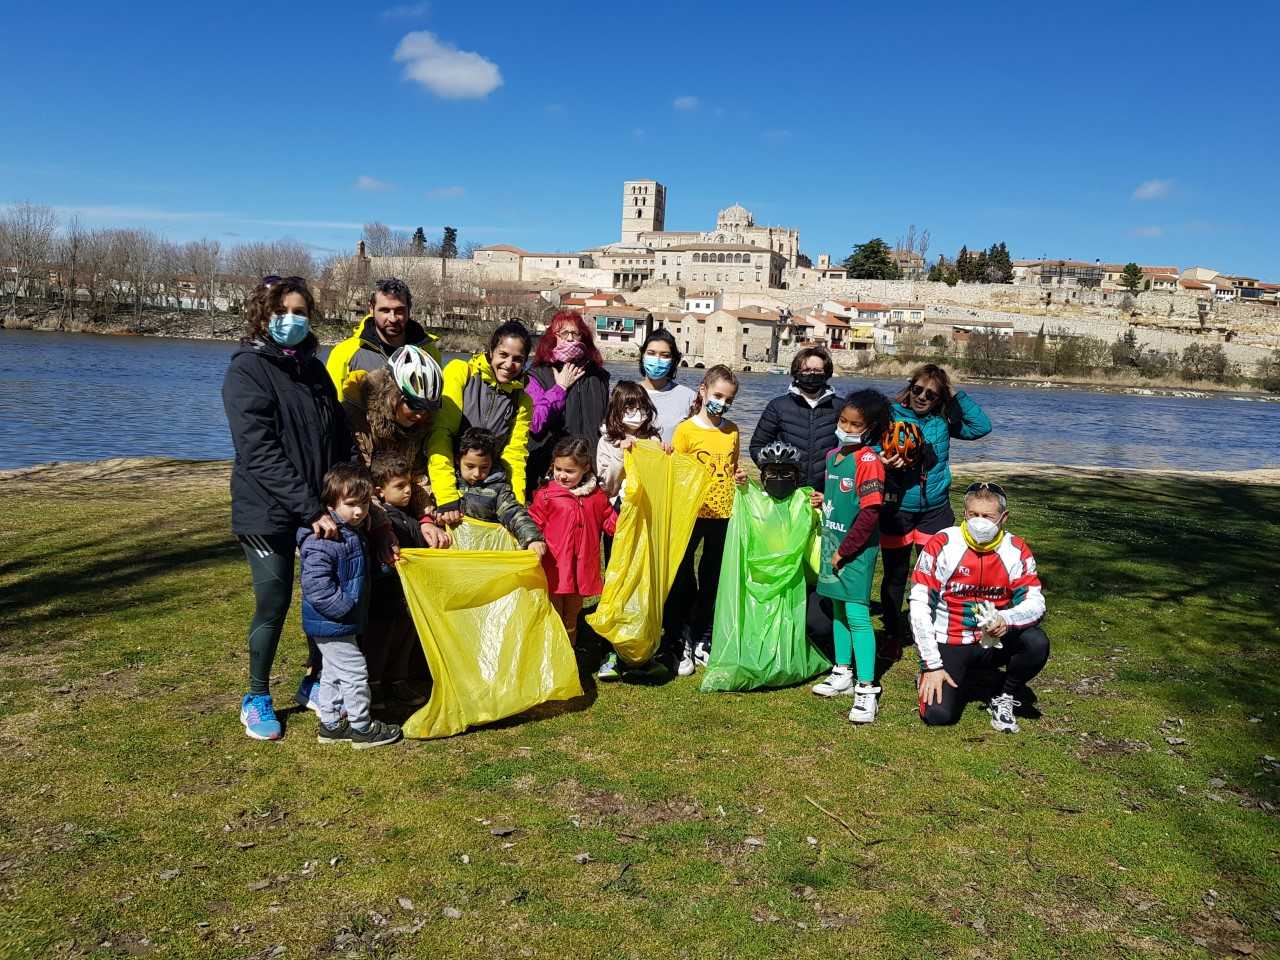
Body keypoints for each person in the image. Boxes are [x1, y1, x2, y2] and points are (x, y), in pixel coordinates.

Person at [221, 276, 352, 741]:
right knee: (273, 600)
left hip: (318, 507)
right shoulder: (247, 371)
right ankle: (256, 696)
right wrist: (306, 508)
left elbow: (336, 436)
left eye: (300, 311)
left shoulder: (314, 371)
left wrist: (349, 492)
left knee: (325, 596)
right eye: (283, 312)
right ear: (264, 314)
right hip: (267, 511)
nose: (292, 320)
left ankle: (316, 680)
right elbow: (259, 451)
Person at [912, 481, 1048, 733]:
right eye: (974, 514)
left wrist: (1006, 618)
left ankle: (1004, 695)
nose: (979, 521)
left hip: (993, 638)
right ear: (964, 513)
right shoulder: (942, 543)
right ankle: (940, 676)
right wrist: (931, 664)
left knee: (1036, 642)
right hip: (950, 639)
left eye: (988, 516)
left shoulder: (1016, 549)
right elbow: (919, 604)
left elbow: (1036, 602)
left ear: (1003, 517)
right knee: (938, 715)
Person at [880, 363, 991, 652]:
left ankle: (930, 627)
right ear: (909, 387)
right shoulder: (889, 414)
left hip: (935, 510)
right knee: (895, 574)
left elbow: (982, 427)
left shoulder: (943, 419)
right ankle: (893, 630)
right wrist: (882, 459)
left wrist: (955, 396)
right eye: (918, 390)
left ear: (940, 399)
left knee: (935, 573)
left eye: (931, 394)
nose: (922, 398)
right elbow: (867, 445)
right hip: (898, 508)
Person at [298, 463, 402, 749]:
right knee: (355, 671)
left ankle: (331, 724)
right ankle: (361, 727)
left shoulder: (353, 533)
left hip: (341, 620)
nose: (359, 511)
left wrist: (383, 569)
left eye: (365, 504)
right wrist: (345, 608)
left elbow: (356, 573)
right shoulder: (323, 540)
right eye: (351, 504)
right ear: (331, 504)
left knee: (332, 672)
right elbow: (317, 587)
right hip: (333, 621)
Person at [810, 390, 891, 723]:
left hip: (853, 552)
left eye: (855, 424)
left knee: (858, 616)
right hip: (832, 547)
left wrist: (846, 550)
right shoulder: (833, 457)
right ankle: (842, 671)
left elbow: (869, 514)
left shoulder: (869, 462)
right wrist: (821, 499)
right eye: (843, 421)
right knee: (839, 610)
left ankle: (866, 688)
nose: (846, 428)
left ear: (869, 428)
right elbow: (839, 500)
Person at [670, 365, 748, 676]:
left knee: (713, 574)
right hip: (692, 513)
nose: (722, 403)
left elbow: (733, 468)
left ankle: (704, 634)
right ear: (703, 391)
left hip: (723, 513)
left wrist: (740, 476)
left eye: (729, 400)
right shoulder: (685, 430)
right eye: (717, 396)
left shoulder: (732, 430)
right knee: (684, 574)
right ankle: (681, 634)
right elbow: (677, 472)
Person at [341, 345, 451, 548]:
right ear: (392, 394)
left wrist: (426, 518)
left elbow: (417, 475)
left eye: (428, 409)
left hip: (399, 511)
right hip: (361, 513)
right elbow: (359, 480)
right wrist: (382, 528)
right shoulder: (357, 420)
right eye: (415, 406)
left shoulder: (418, 426)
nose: (421, 415)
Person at [428, 321, 535, 524]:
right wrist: (446, 496)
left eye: (518, 359)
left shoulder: (522, 401)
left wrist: (517, 505)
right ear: (491, 351)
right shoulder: (460, 372)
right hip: (447, 482)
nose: (509, 364)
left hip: (487, 488)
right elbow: (441, 435)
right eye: (503, 355)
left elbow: (515, 455)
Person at [529, 438, 618, 649]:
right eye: (558, 469)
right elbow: (533, 524)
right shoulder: (546, 496)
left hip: (580, 570)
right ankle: (552, 656)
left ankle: (569, 657)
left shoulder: (596, 497)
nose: (561, 475)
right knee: (553, 614)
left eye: (569, 471)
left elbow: (610, 523)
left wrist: (626, 511)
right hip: (555, 569)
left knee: (571, 617)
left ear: (585, 468)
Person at [364, 450, 430, 710]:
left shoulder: (412, 517)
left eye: (409, 485)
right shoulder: (383, 521)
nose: (407, 492)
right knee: (381, 638)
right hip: (385, 593)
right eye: (399, 486)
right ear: (380, 491)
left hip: (410, 594)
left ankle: (399, 680)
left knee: (406, 636)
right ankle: (375, 684)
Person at [524, 310, 611, 498]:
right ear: (551, 338)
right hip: (550, 472)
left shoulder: (598, 376)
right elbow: (535, 423)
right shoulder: (537, 375)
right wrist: (560, 388)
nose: (570, 339)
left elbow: (606, 423)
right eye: (564, 334)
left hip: (590, 472)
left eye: (575, 333)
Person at [325, 277, 442, 395]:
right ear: (371, 309)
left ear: (409, 309)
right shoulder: (343, 354)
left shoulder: (429, 352)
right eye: (385, 311)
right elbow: (333, 408)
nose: (393, 318)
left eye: (399, 310)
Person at [749, 346, 841, 491]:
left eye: (817, 371)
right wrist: (773, 473)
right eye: (806, 370)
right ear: (796, 373)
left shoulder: (840, 407)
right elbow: (757, 446)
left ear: (826, 373)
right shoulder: (778, 406)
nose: (812, 374)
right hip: (786, 489)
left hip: (827, 491)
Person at [455, 428, 547, 553]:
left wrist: (532, 539)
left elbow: (513, 513)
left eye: (484, 467)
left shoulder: (498, 489)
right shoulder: (449, 484)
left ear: (492, 463)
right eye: (470, 466)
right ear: (457, 460)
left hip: (484, 554)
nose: (477, 473)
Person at [596, 380, 662, 507]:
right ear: (617, 409)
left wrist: (664, 454)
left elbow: (658, 479)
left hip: (646, 507)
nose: (638, 413)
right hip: (617, 508)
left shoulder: (653, 439)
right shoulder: (607, 442)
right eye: (630, 408)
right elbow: (607, 487)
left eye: (642, 408)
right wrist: (620, 454)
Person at [638, 330, 696, 445]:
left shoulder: (689, 397)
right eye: (651, 353)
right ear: (643, 355)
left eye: (665, 355)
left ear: (673, 360)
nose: (657, 359)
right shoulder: (625, 394)